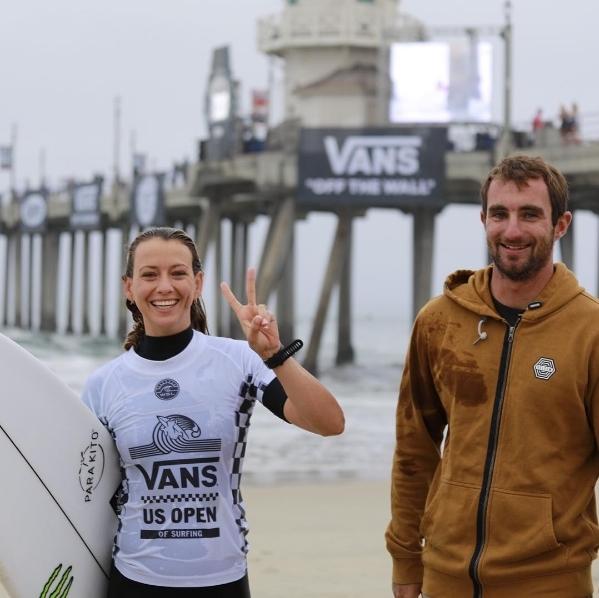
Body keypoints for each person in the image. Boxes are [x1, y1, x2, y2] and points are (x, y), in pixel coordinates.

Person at [82, 227, 345, 597]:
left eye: (178, 273)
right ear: (129, 287)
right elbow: (85, 491)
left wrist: (274, 355)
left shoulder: (238, 360)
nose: (164, 286)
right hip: (135, 578)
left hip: (222, 579)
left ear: (198, 282)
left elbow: (330, 422)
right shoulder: (103, 385)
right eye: (149, 274)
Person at [386, 155, 599, 598]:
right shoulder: (439, 320)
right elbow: (414, 448)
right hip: (445, 577)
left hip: (551, 582)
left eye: (530, 214)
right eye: (500, 214)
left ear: (560, 225)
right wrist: (406, 557)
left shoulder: (590, 331)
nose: (512, 230)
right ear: (484, 219)